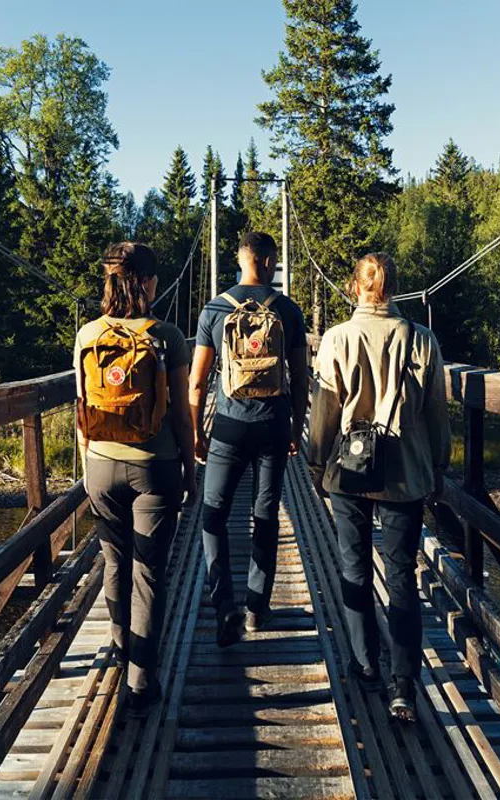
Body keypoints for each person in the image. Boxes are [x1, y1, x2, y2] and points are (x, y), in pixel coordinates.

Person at [308, 252, 451, 723]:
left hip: (349, 473)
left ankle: (366, 664)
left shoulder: (336, 339)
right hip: (406, 474)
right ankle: (404, 684)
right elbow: (436, 416)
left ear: (355, 287)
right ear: (394, 287)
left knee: (354, 567)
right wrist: (438, 467)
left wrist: (316, 463)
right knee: (402, 575)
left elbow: (325, 413)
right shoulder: (423, 340)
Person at [74, 242, 196, 719]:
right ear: (147, 282)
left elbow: (81, 403)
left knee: (114, 562)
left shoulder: (87, 334)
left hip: (101, 465)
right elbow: (184, 415)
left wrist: (89, 463)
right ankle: (142, 682)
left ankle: (123, 650)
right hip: (155, 465)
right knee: (149, 573)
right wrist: (189, 467)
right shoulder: (167, 334)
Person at [189, 231, 309, 647]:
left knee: (213, 515)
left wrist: (194, 434)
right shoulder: (289, 311)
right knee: (265, 516)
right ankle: (257, 607)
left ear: (240, 261)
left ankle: (224, 606)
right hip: (274, 424)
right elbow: (301, 378)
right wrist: (296, 428)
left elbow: (197, 381)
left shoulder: (215, 309)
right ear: (271, 262)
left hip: (228, 426)